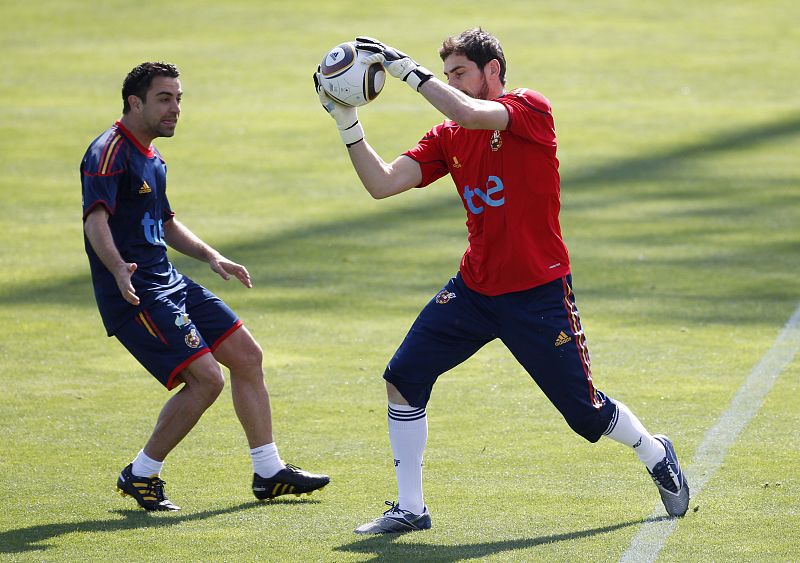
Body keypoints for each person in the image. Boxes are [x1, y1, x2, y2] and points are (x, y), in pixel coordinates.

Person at [314, 30, 689, 534]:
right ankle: (410, 508)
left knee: (586, 416)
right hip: (474, 291)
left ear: (493, 71)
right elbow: (381, 184)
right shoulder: (447, 137)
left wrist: (405, 70)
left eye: (459, 73)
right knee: (402, 380)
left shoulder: (529, 108)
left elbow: (471, 113)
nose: (450, 84)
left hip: (538, 294)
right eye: (445, 75)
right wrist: (346, 121)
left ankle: (654, 450)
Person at [81, 61, 329, 511]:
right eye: (164, 99)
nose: (175, 108)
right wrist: (118, 268)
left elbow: (166, 223)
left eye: (178, 98)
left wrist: (212, 256)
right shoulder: (108, 151)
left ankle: (269, 471)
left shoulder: (153, 157)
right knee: (206, 379)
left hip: (170, 281)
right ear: (134, 103)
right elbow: (95, 219)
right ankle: (142, 473)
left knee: (247, 356)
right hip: (137, 292)